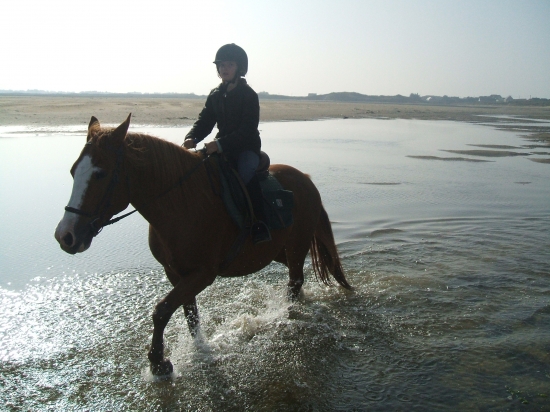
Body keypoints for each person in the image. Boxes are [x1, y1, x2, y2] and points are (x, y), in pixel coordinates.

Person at [183, 43, 271, 244]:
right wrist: (192, 137)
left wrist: (219, 144)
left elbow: (247, 130)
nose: (224, 68)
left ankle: (260, 223)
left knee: (246, 174)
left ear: (239, 68)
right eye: (222, 65)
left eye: (229, 64)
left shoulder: (249, 95)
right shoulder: (215, 94)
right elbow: (205, 121)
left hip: (246, 148)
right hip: (221, 146)